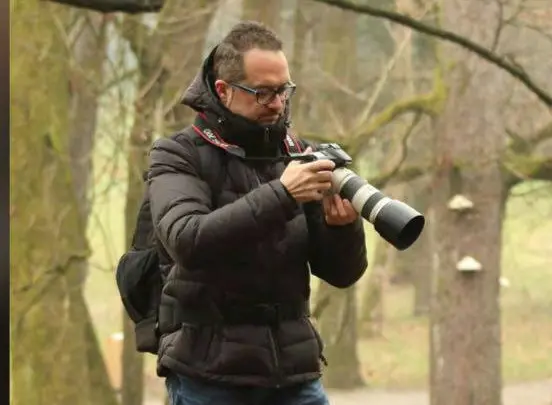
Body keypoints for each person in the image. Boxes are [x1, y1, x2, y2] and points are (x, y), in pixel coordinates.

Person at [148, 20, 368, 405]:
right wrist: (283, 194)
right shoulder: (177, 154)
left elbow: (343, 274)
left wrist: (343, 229)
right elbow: (188, 240)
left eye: (284, 90)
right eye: (263, 93)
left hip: (294, 375)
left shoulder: (298, 153)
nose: (278, 104)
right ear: (223, 90)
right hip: (208, 375)